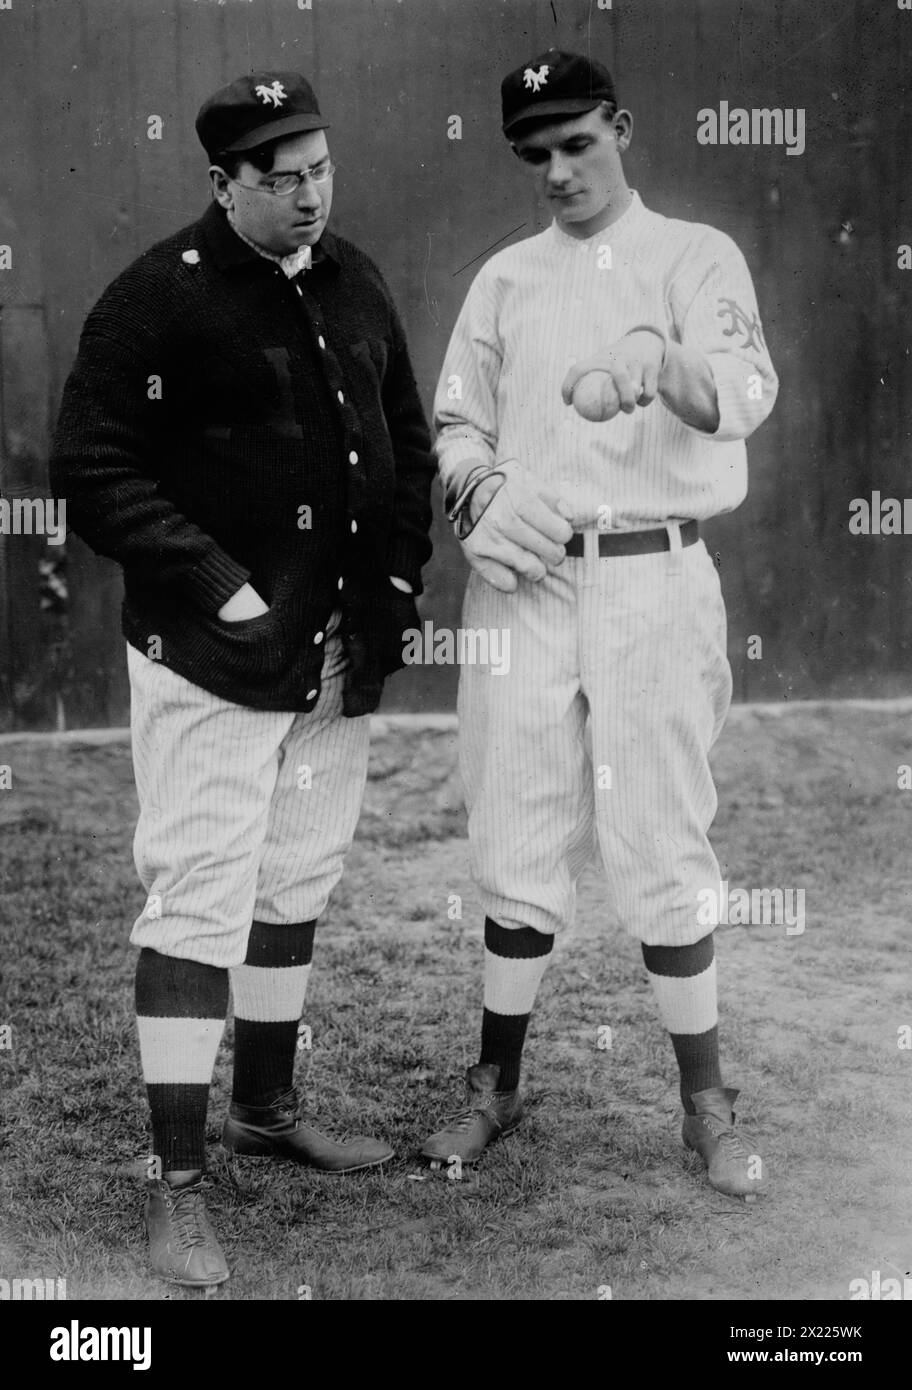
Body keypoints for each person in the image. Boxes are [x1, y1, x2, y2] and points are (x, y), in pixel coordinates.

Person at [50, 71, 434, 1285]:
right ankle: (174, 1184)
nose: (309, 195)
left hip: (330, 661)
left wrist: (389, 599)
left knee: (296, 875)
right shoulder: (158, 301)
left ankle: (266, 1109)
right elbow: (93, 465)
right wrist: (224, 582)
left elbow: (408, 450)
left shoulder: (356, 279)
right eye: (279, 179)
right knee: (198, 899)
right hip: (210, 661)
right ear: (223, 183)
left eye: (320, 169)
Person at [423, 50, 778, 1201]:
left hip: (653, 573)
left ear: (620, 126)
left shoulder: (693, 255)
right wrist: (476, 489)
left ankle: (704, 1102)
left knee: (663, 835)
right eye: (538, 154)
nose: (561, 170)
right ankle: (497, 1083)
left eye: (579, 142)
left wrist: (654, 357)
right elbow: (456, 426)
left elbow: (742, 390)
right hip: (526, 579)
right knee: (517, 831)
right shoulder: (505, 280)